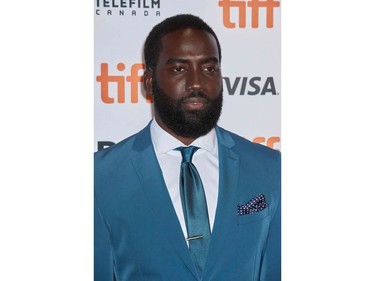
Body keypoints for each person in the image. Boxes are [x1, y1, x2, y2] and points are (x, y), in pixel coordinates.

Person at [95, 14, 281, 281]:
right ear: (149, 81)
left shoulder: (270, 168)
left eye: (209, 68)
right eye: (179, 69)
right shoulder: (100, 177)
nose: (196, 83)